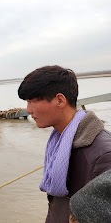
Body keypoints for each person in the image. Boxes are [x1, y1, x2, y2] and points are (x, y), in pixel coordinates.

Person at [18, 65, 111, 223]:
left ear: (60, 100)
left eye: (32, 101)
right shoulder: (59, 143)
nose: (28, 110)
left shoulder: (103, 154)